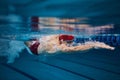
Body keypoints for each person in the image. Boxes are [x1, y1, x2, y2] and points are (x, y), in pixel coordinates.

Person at [24, 34, 115, 55]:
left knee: (26, 41)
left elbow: (80, 47)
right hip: (36, 49)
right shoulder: (62, 46)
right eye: (70, 42)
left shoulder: (60, 45)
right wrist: (99, 45)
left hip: (36, 50)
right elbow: (80, 48)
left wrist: (98, 45)